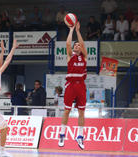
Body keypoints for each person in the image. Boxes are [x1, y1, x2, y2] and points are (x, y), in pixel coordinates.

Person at [58, 21, 87, 150]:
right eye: (76, 45)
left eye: (78, 45)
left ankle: (80, 137)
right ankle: (62, 134)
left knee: (82, 112)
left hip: (81, 85)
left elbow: (83, 44)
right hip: (70, 85)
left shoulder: (84, 57)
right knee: (67, 110)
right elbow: (68, 44)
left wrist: (78, 31)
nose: (77, 46)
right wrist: (71, 30)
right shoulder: (70, 56)